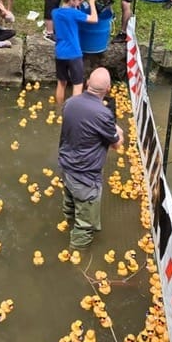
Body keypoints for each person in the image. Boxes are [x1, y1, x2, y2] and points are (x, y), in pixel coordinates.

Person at [57, 67, 123, 250]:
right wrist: (118, 130)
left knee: (70, 204)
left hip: (66, 168)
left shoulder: (70, 103)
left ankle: (66, 225)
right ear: (108, 89)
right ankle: (76, 261)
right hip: (86, 177)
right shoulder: (104, 115)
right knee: (85, 226)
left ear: (87, 83)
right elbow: (116, 145)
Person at [52, 0, 99, 107]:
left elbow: (67, 19)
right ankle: (74, 112)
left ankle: (58, 109)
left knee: (61, 84)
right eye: (78, 0)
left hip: (60, 53)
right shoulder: (74, 13)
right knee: (77, 85)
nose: (80, 3)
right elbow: (94, 19)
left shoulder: (55, 13)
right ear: (72, 0)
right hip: (74, 54)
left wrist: (78, 3)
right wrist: (92, 3)